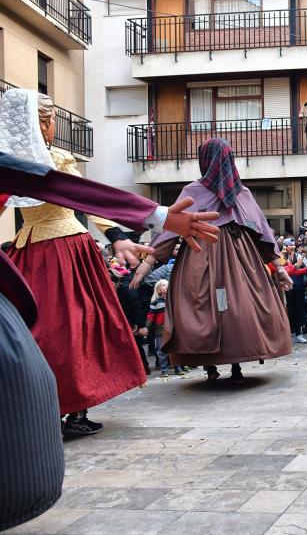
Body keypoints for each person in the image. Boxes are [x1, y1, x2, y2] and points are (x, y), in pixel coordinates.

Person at [0, 151, 219, 532]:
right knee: (59, 330)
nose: (49, 124)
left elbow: (57, 187)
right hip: (46, 247)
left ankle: (69, 409)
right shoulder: (29, 163)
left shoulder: (41, 159)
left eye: (50, 117)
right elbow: (53, 186)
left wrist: (124, 231)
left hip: (51, 243)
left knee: (65, 330)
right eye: (43, 117)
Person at [0, 89, 154, 436]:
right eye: (51, 119)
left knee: (39, 329)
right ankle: (72, 410)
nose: (54, 125)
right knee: (76, 328)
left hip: (28, 252)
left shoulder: (9, 162)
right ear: (40, 124)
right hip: (66, 251)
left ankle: (50, 408)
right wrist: (116, 235)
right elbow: (83, 196)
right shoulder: (54, 159)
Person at [131, 138, 293, 383]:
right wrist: (278, 268)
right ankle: (228, 366)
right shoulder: (240, 193)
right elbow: (262, 234)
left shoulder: (204, 191)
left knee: (209, 309)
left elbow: (171, 228)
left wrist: (146, 264)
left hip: (201, 255)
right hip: (241, 260)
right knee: (235, 309)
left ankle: (214, 367)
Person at [146, 280, 185, 377]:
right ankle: (164, 368)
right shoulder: (155, 302)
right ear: (159, 290)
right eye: (164, 285)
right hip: (160, 329)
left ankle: (177, 367)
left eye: (167, 285)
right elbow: (151, 316)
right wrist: (147, 327)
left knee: (174, 348)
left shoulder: (173, 300)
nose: (166, 286)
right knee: (161, 349)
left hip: (173, 328)